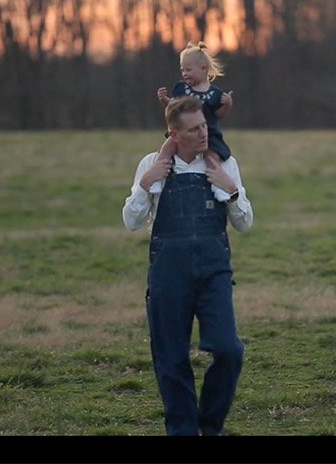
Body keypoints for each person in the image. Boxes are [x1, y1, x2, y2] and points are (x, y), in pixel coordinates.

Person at [122, 95, 254, 436]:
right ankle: (182, 430)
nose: (203, 134)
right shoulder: (152, 164)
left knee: (228, 350)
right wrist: (145, 182)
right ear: (173, 134)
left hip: (214, 272)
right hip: (168, 275)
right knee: (171, 359)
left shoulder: (224, 164)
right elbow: (131, 221)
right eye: (194, 129)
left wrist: (233, 192)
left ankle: (208, 425)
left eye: (205, 126)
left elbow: (245, 224)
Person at [157, 42, 234, 166]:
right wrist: (164, 100)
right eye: (182, 70)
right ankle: (159, 170)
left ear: (203, 68)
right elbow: (174, 109)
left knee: (212, 158)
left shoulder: (214, 93)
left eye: (188, 70)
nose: (184, 74)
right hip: (183, 133)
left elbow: (218, 114)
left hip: (209, 135)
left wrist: (227, 105)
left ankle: (215, 178)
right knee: (166, 149)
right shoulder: (182, 89)